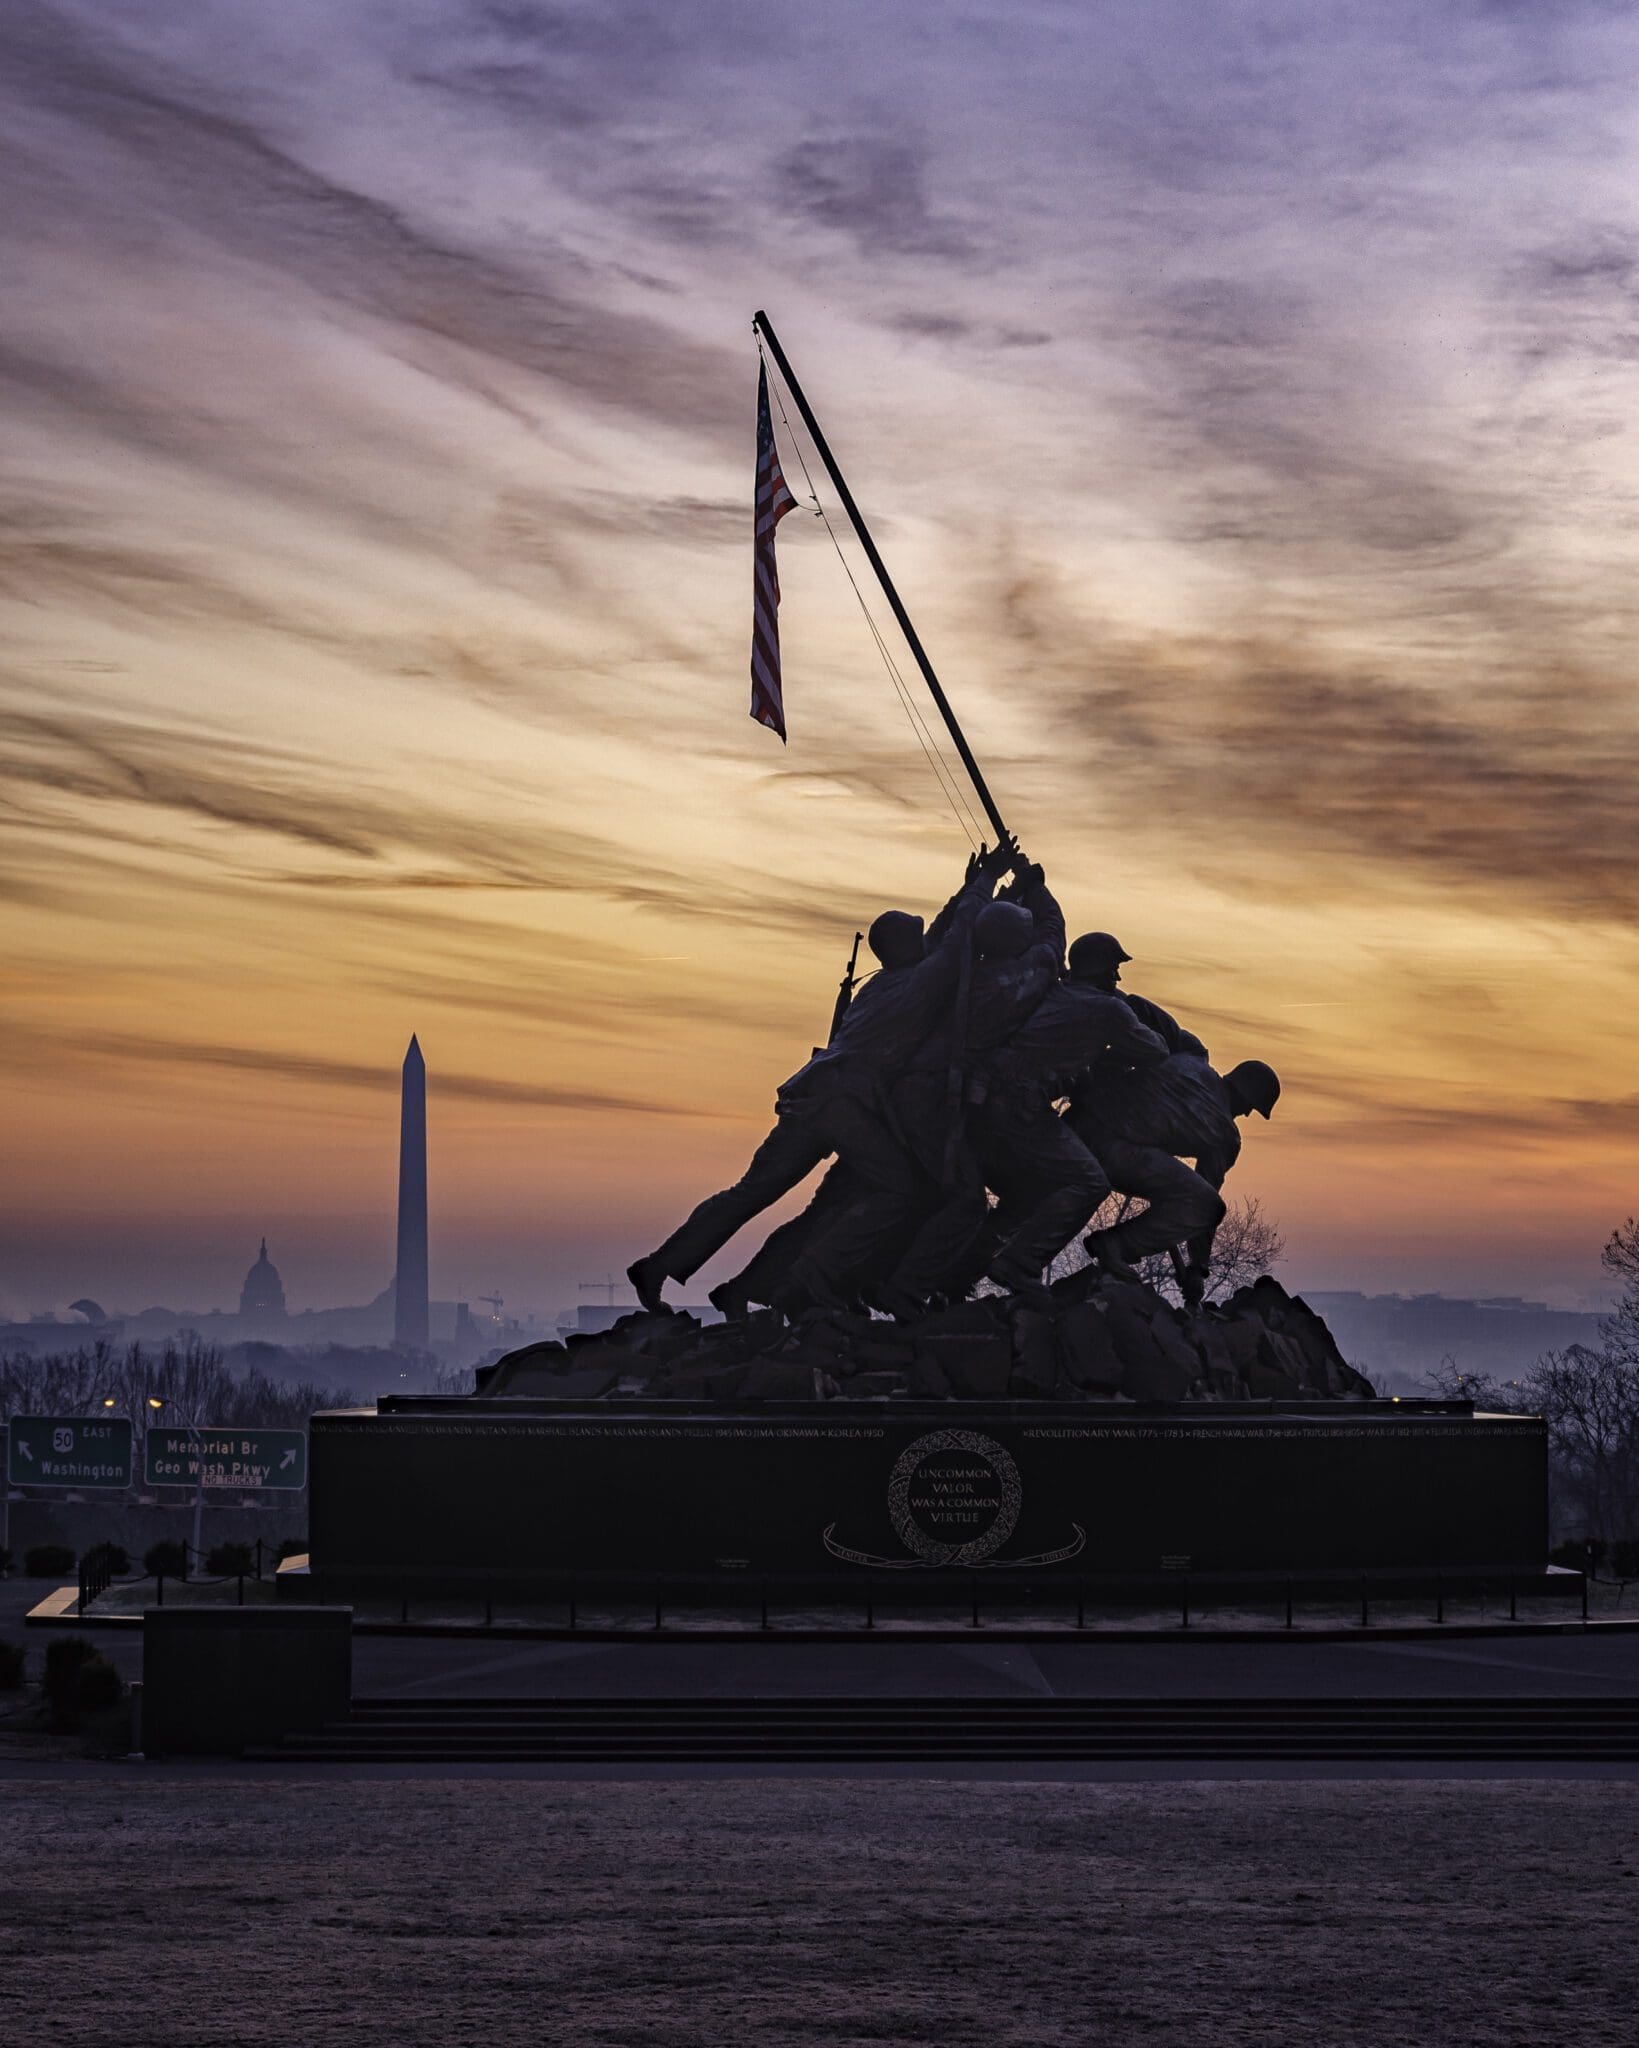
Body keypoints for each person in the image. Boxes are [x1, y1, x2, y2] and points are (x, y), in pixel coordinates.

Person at [626, 840, 1016, 1314]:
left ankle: (658, 1265)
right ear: (905, 948)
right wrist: (987, 879)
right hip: (844, 1103)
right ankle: (819, 1279)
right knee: (899, 1188)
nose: (923, 939)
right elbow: (955, 944)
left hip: (809, 1094)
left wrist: (968, 886)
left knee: (752, 1191)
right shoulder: (919, 982)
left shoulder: (888, 980)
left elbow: (939, 935)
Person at [1068, 1054, 1281, 1306]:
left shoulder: (1190, 1060)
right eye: (1251, 1108)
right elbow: (1205, 1202)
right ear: (1246, 1098)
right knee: (1206, 1206)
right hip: (1111, 1148)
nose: (1246, 1114)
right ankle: (1114, 1246)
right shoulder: (1225, 1134)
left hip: (1077, 1123)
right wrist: (1198, 1268)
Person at [1065, 931, 1208, 1057]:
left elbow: (1160, 1047)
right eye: (1113, 970)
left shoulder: (1121, 1003)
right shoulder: (1106, 1007)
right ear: (1096, 969)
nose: (1118, 978)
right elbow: (1157, 1049)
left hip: (1183, 1050)